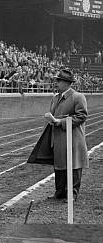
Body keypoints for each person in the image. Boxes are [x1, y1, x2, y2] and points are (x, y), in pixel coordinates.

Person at [44, 69, 88, 200]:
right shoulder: (55, 98)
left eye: (58, 80)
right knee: (59, 165)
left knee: (74, 164)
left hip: (73, 138)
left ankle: (72, 194)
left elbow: (81, 116)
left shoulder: (78, 97)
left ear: (67, 83)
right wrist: (51, 119)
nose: (55, 83)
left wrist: (60, 122)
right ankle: (59, 192)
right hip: (58, 138)